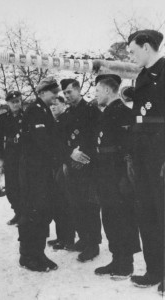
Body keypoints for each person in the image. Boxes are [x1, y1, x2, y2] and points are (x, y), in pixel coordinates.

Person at [128, 29, 165, 290]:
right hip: (142, 154)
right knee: (147, 213)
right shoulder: (141, 76)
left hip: (161, 154)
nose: (130, 56)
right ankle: (154, 271)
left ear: (147, 47)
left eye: (132, 50)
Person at [94, 74, 141, 278]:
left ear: (106, 90)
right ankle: (116, 259)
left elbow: (129, 148)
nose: (95, 96)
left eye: (97, 91)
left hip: (118, 174)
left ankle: (125, 264)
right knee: (111, 218)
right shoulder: (108, 112)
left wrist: (125, 176)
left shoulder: (122, 112)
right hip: (106, 174)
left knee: (123, 218)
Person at [18, 77, 62, 272]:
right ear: (43, 92)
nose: (56, 96)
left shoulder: (43, 110)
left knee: (42, 212)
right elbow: (43, 142)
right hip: (33, 173)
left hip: (42, 171)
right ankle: (28, 256)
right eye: (54, 92)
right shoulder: (35, 111)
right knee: (34, 213)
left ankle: (38, 253)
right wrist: (64, 153)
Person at [60, 78, 102, 262]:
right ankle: (83, 237)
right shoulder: (67, 113)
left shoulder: (91, 111)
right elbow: (62, 138)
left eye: (69, 92)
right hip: (72, 164)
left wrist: (83, 156)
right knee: (75, 203)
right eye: (64, 93)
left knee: (89, 205)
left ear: (78, 90)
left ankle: (93, 244)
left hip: (88, 165)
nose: (67, 96)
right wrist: (70, 155)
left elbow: (96, 137)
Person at [48, 96, 76, 250]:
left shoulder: (67, 120)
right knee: (57, 203)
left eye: (56, 104)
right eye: (51, 105)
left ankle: (69, 238)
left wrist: (66, 162)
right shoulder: (53, 121)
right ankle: (61, 236)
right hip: (54, 165)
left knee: (65, 203)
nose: (53, 107)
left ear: (64, 105)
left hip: (63, 165)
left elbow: (68, 144)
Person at [0, 91, 23, 225]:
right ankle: (18, 211)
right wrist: (0, 158)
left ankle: (24, 214)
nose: (16, 104)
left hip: (24, 154)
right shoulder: (3, 118)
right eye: (13, 102)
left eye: (18, 101)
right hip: (10, 154)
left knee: (23, 185)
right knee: (11, 188)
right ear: (8, 103)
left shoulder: (27, 116)